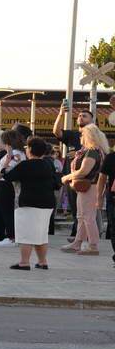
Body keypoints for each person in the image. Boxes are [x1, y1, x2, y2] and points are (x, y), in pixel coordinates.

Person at [4, 137, 62, 270]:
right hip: (47, 202)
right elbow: (56, 184)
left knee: (26, 234)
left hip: (29, 202)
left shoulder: (25, 165)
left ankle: (24, 262)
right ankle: (42, 261)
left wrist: (7, 163)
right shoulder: (49, 164)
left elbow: (8, 177)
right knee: (41, 234)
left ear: (30, 149)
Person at [60, 124, 109, 256]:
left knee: (87, 217)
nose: (80, 137)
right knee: (82, 216)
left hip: (89, 186)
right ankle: (78, 242)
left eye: (82, 134)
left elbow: (84, 171)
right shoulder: (96, 151)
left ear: (88, 136)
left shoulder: (92, 151)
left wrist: (67, 177)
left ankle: (93, 245)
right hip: (89, 186)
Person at [53, 105, 94, 239]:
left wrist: (78, 154)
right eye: (80, 116)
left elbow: (98, 153)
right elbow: (57, 132)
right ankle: (78, 235)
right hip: (71, 178)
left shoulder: (95, 136)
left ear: (92, 121)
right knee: (76, 209)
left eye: (85, 116)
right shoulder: (73, 135)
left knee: (86, 211)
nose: (81, 117)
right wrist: (60, 113)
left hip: (88, 178)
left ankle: (87, 238)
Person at [0, 130, 25, 247]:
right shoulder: (12, 153)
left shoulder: (15, 154)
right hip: (4, 183)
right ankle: (9, 235)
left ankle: (12, 237)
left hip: (7, 184)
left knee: (8, 211)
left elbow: (6, 170)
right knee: (4, 211)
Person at [96, 139, 115, 267]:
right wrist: (99, 197)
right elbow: (102, 178)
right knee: (113, 228)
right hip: (113, 198)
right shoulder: (111, 158)